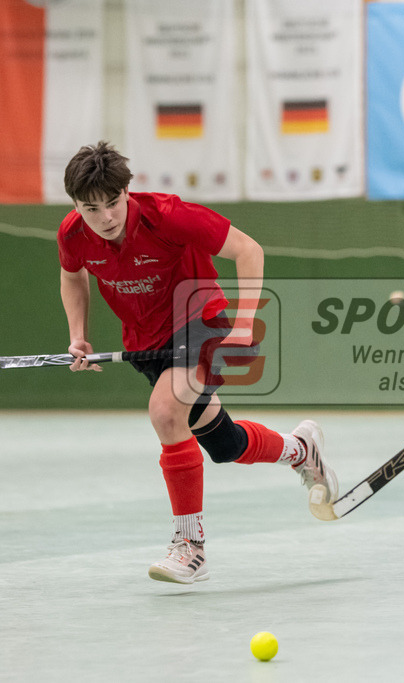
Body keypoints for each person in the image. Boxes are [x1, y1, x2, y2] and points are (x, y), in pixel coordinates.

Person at [57, 141, 340, 584]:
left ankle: (190, 547)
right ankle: (301, 449)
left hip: (200, 320)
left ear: (127, 191)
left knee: (165, 411)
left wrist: (243, 323)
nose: (106, 217)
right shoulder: (73, 234)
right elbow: (72, 276)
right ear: (76, 205)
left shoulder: (169, 216)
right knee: (225, 444)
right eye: (91, 209)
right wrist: (78, 336)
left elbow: (248, 250)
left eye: (113, 203)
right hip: (147, 344)